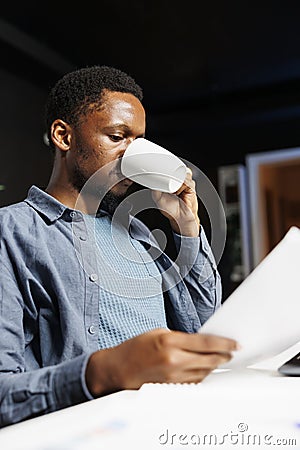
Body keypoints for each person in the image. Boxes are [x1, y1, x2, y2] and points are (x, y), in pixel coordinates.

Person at [0, 65, 239, 427]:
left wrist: (187, 226)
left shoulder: (139, 234)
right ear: (64, 136)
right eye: (117, 136)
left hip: (174, 421)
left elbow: (205, 327)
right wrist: (107, 370)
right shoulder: (12, 232)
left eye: (138, 141)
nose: (132, 156)